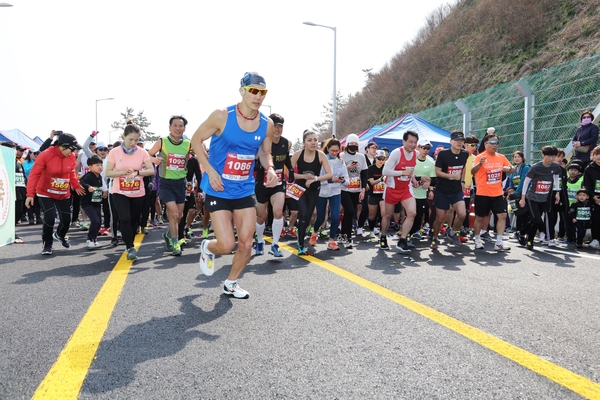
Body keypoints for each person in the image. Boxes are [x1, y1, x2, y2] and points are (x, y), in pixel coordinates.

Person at [191, 71, 278, 299]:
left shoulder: (266, 124)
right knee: (227, 244)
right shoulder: (222, 115)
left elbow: (265, 152)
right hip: (218, 187)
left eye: (262, 92)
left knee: (247, 244)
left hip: (244, 188)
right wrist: (209, 170)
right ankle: (207, 247)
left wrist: (269, 169)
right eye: (253, 91)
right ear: (242, 91)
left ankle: (230, 283)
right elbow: (196, 140)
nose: (258, 97)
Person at [25, 133, 86, 255]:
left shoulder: (71, 157)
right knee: (50, 218)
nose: (74, 152)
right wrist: (30, 194)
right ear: (63, 146)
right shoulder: (45, 155)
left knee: (66, 220)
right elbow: (34, 175)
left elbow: (71, 173)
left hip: (63, 192)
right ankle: (47, 244)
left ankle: (59, 234)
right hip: (45, 192)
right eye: (72, 149)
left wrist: (76, 185)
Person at [105, 121, 155, 260]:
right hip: (119, 192)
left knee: (134, 220)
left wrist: (137, 173)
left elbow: (151, 170)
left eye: (137, 140)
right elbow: (108, 173)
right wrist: (122, 172)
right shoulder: (115, 152)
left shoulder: (142, 152)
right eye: (130, 139)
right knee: (125, 218)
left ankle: (129, 243)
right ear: (123, 136)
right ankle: (130, 247)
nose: (133, 143)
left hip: (138, 192)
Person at [148, 116, 192, 256]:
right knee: (173, 213)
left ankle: (168, 234)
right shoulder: (162, 141)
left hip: (181, 182)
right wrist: (153, 159)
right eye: (175, 125)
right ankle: (175, 243)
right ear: (170, 127)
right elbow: (146, 155)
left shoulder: (188, 143)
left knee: (178, 216)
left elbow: (202, 153)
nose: (178, 128)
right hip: (165, 182)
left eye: (181, 126)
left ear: (184, 128)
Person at [254, 113, 293, 257]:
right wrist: (259, 167)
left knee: (278, 212)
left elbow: (286, 159)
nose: (277, 129)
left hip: (278, 183)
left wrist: (291, 170)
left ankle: (275, 245)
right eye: (275, 126)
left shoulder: (287, 142)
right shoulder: (262, 142)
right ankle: (259, 241)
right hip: (262, 183)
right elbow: (255, 162)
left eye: (280, 127)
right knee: (261, 216)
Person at [291, 130, 333, 255]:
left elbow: (329, 174)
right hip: (300, 189)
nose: (313, 142)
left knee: (308, 216)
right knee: (303, 213)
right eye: (309, 140)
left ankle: (301, 232)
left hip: (314, 190)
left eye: (315, 140)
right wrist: (304, 177)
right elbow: (289, 173)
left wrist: (314, 178)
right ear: (304, 143)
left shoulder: (321, 155)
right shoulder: (298, 154)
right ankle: (301, 245)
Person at [471, 134, 515, 251]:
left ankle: (499, 242)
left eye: (497, 143)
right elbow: (472, 171)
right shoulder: (479, 157)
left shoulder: (501, 157)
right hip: (482, 193)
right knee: (480, 218)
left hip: (497, 193)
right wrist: (480, 164)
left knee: (502, 216)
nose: (495, 145)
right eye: (492, 143)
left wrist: (509, 169)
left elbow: (513, 168)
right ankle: (477, 239)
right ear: (485, 144)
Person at [380, 130, 419, 253]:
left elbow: (411, 170)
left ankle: (402, 240)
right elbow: (385, 171)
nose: (413, 145)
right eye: (410, 142)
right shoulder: (397, 153)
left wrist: (413, 178)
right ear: (404, 141)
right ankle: (383, 236)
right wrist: (402, 173)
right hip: (392, 188)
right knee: (388, 215)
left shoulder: (416, 154)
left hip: (405, 189)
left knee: (412, 213)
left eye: (415, 142)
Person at [516, 146, 561, 250]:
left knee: (534, 220)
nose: (551, 158)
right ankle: (530, 241)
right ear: (543, 155)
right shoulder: (536, 167)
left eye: (553, 156)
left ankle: (521, 232)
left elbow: (556, 179)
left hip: (545, 197)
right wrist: (523, 198)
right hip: (532, 197)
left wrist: (557, 192)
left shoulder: (555, 167)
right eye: (549, 156)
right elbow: (526, 182)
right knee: (537, 221)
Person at [430, 131, 469, 250]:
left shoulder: (465, 154)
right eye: (456, 140)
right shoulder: (443, 154)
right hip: (442, 190)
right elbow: (438, 172)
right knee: (440, 218)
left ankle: (452, 233)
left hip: (456, 190)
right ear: (451, 141)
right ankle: (435, 238)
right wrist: (451, 176)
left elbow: (464, 167)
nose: (459, 143)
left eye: (461, 141)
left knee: (462, 214)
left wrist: (462, 181)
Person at [312, 138, 348, 250]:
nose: (334, 153)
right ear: (327, 149)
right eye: (332, 150)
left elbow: (347, 180)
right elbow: (318, 178)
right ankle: (314, 232)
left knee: (336, 216)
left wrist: (341, 180)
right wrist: (330, 179)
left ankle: (332, 240)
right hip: (322, 191)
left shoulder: (341, 162)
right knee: (321, 217)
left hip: (336, 191)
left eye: (337, 151)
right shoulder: (322, 160)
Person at [340, 134, 368, 248]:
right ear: (347, 144)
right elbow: (337, 172)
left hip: (356, 189)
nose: (353, 146)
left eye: (356, 144)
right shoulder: (341, 156)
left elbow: (364, 174)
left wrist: (363, 190)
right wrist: (348, 167)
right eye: (351, 144)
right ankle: (348, 236)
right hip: (344, 188)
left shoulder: (361, 157)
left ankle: (342, 234)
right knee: (350, 211)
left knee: (349, 212)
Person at [79, 155, 105, 248]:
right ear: (90, 167)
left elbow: (100, 187)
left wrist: (103, 192)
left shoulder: (99, 176)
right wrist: (88, 187)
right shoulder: (89, 175)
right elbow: (81, 182)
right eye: (97, 165)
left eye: (101, 165)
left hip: (97, 202)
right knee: (95, 220)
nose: (100, 167)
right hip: (87, 203)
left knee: (99, 221)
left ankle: (94, 240)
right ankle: (89, 240)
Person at [365, 149, 388, 239]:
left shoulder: (386, 167)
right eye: (379, 159)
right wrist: (381, 179)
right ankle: (371, 230)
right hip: (373, 194)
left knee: (384, 213)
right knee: (372, 215)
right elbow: (371, 182)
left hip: (383, 194)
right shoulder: (371, 168)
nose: (381, 161)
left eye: (383, 159)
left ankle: (383, 234)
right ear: (375, 158)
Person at [581, 145, 600, 249]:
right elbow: (587, 184)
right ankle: (595, 239)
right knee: (596, 219)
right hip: (594, 198)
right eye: (596, 154)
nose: (599, 157)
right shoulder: (589, 168)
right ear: (593, 155)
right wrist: (593, 197)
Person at [564, 161, 584, 244]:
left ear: (579, 172)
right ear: (568, 171)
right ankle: (569, 238)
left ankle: (578, 239)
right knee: (567, 223)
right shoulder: (565, 180)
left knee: (577, 223)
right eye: (571, 169)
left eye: (575, 170)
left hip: (576, 206)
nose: (573, 171)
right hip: (566, 205)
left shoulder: (581, 181)